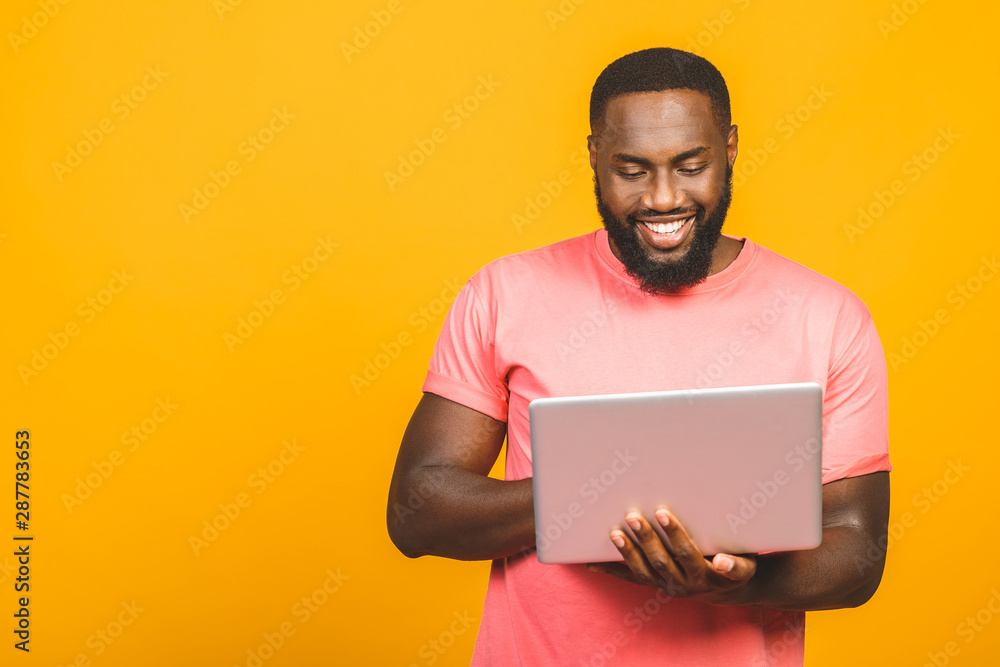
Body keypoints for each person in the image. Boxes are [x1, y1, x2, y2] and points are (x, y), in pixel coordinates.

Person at [387, 47, 891, 666]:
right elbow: (418, 510)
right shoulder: (503, 294)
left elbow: (858, 551)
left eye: (690, 166)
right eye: (631, 170)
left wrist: (733, 583)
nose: (661, 199)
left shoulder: (829, 318)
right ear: (595, 155)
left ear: (729, 149)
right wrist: (599, 494)